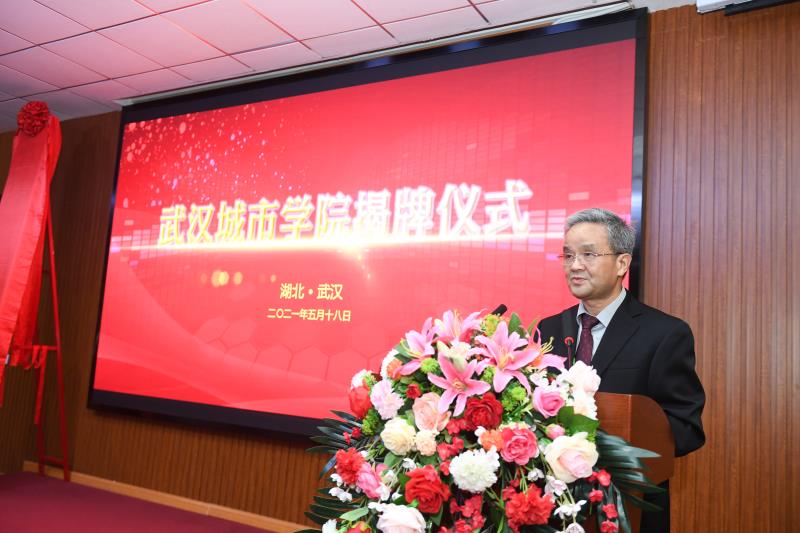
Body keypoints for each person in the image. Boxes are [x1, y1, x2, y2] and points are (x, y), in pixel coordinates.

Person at [536, 208, 705, 533]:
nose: (574, 265)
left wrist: (607, 447)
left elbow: (685, 427)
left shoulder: (664, 333)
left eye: (588, 254)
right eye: (568, 255)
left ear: (622, 264)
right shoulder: (549, 329)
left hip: (628, 510)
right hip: (552, 511)